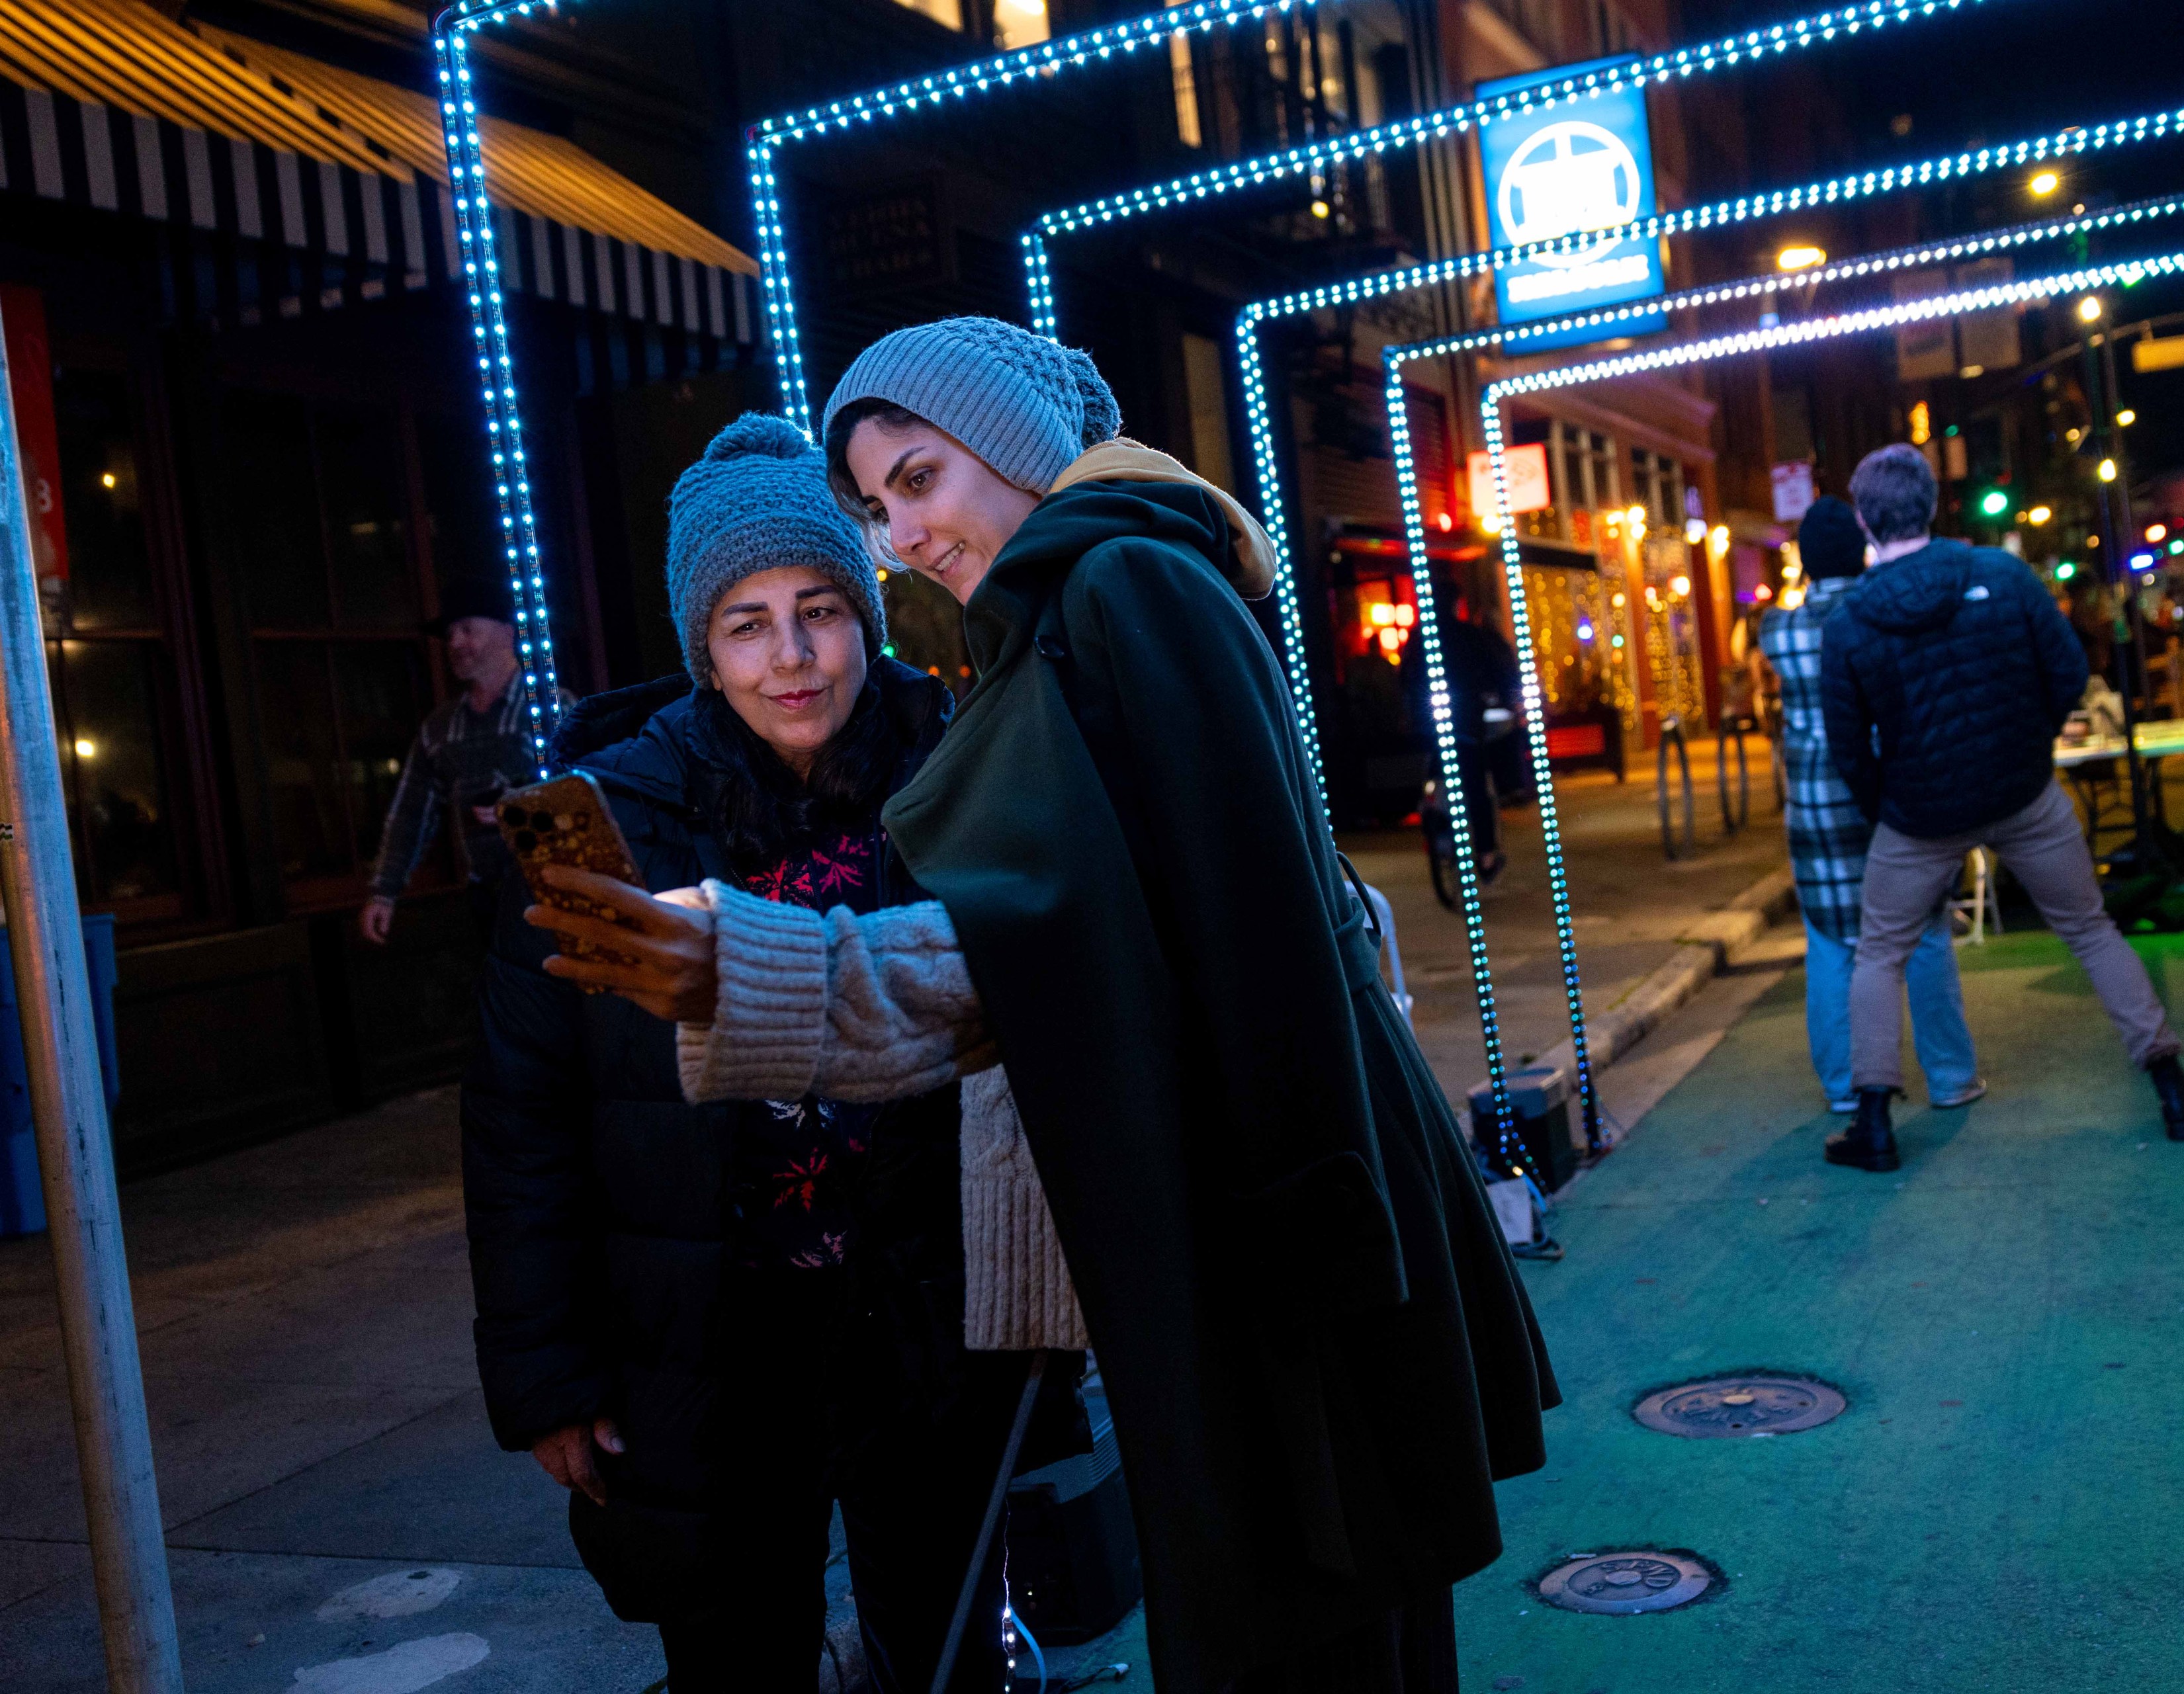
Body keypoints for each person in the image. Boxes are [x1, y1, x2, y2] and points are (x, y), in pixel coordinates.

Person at [526, 317, 1557, 1694]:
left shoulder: (1116, 583)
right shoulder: (1087, 597)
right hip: (1263, 1231)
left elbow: (1164, 945)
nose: (901, 537)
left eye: (917, 477)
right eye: (878, 505)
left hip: (1267, 1243)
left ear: (1008, 443)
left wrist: (750, 969)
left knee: (1315, 1633)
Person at [463, 414, 1080, 1693]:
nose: (791, 658)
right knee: (737, 1662)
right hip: (707, 1339)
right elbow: (525, 1112)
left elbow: (1049, 1005)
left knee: (947, 1649)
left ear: (867, 610)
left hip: (928, 1322)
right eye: (747, 623)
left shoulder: (960, 762)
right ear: (703, 645)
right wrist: (549, 1373)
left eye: (820, 610)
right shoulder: (594, 821)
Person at [1819, 445, 2184, 1170]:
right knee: (2090, 929)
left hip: (1917, 810)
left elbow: (1848, 745)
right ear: (1931, 502)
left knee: (1878, 953)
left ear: (1862, 521)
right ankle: (2172, 1086)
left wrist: (1891, 803)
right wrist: (2024, 746)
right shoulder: (1999, 576)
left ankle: (1873, 1122)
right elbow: (2067, 670)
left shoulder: (1848, 623)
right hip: (2023, 793)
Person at [1757, 497, 1981, 1122]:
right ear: (1860, 552)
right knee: (1925, 933)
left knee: (1832, 945)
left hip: (1817, 811)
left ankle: (1844, 1086)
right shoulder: (1887, 617)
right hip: (1893, 796)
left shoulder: (1779, 631)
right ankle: (1950, 1076)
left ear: (1803, 561)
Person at [363, 578, 562, 942]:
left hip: (559, 892)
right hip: (487, 900)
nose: (454, 643)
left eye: (467, 630)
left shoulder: (553, 709)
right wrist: (384, 891)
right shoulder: (441, 729)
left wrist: (522, 803)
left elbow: (589, 791)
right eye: (450, 634)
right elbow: (411, 811)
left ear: (506, 631)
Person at [1403, 572, 1526, 879]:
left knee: (1436, 773)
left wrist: (1411, 711)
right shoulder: (1469, 636)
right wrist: (1506, 701)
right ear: (1456, 604)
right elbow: (1496, 672)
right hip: (1466, 724)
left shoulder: (1419, 638)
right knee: (1475, 788)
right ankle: (1485, 856)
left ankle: (1436, 823)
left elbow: (1405, 679)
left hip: (1430, 724)